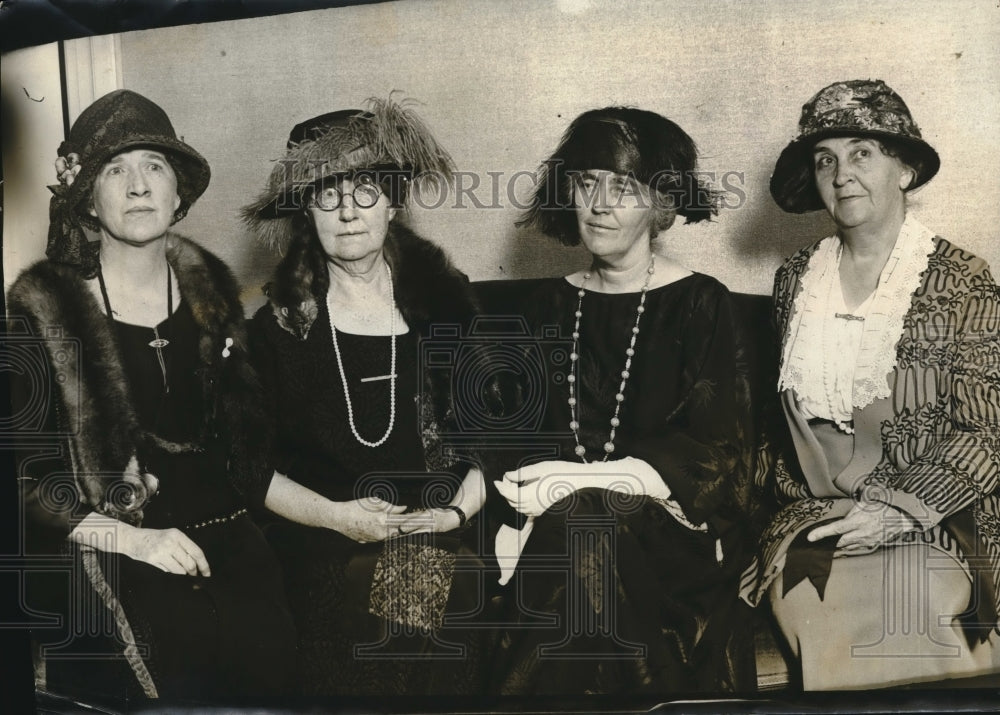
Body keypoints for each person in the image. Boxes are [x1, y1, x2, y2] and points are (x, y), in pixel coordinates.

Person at [7, 89, 295, 702]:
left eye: (154, 167)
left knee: (269, 645)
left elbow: (247, 459)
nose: (138, 186)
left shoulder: (216, 300)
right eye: (116, 169)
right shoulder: (44, 310)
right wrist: (137, 541)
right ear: (87, 195)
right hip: (109, 544)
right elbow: (26, 479)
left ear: (177, 193)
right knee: (178, 642)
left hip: (225, 534)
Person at [740, 79, 1000, 689]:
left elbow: (990, 428)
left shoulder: (963, 280)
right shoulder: (795, 279)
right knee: (816, 601)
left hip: (936, 516)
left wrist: (900, 510)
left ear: (905, 170)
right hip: (818, 520)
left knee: (910, 614)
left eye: (862, 152)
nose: (841, 173)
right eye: (825, 158)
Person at [489, 107, 757, 695]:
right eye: (587, 184)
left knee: (586, 522)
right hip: (562, 538)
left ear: (659, 204)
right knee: (582, 527)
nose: (600, 204)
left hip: (672, 542)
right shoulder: (545, 308)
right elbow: (508, 438)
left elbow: (723, 456)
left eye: (623, 188)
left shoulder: (700, 304)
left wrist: (588, 484)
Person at [242, 97, 498, 696]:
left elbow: (497, 435)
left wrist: (456, 511)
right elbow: (248, 466)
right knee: (376, 584)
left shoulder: (444, 303)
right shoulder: (277, 327)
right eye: (328, 194)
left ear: (392, 201)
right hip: (323, 530)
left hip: (437, 520)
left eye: (365, 190)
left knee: (447, 569)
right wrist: (337, 517)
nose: (348, 212)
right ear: (306, 209)